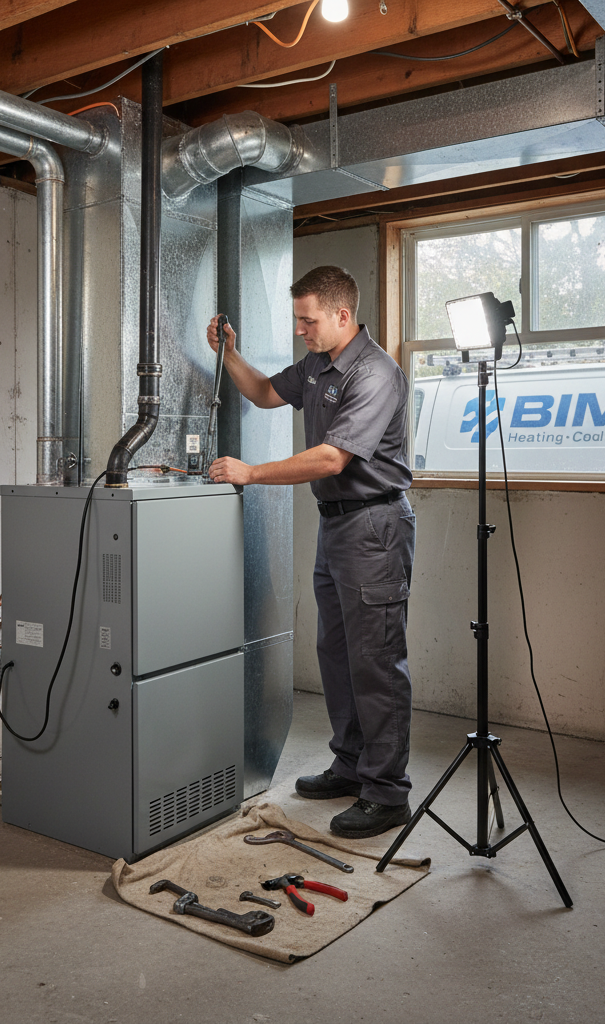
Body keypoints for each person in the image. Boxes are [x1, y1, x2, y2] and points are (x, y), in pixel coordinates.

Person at [206, 265, 415, 839]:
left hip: (374, 527)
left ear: (342, 315)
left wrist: (251, 472)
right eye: (298, 318)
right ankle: (351, 766)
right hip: (337, 529)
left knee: (375, 660)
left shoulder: (374, 373)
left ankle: (388, 791)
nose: (301, 328)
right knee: (338, 654)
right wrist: (229, 353)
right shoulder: (318, 365)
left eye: (308, 319)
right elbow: (265, 392)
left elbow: (331, 458)